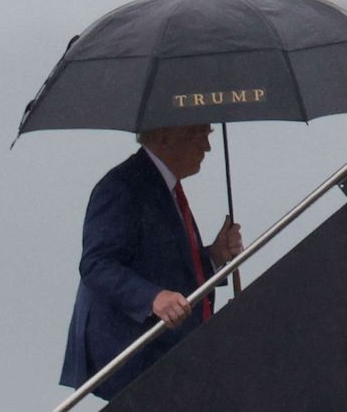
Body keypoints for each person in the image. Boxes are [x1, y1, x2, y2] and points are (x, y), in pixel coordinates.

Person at [59, 124, 243, 400]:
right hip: (135, 357)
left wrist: (214, 257)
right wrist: (152, 298)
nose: (207, 147)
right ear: (165, 134)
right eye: (201, 134)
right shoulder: (122, 186)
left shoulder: (165, 187)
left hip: (169, 359)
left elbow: (169, 271)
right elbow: (96, 264)